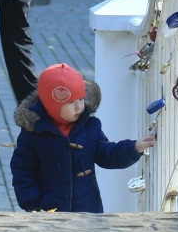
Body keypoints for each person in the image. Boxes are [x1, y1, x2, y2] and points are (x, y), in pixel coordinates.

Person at [10, 62, 155, 213]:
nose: (79, 106)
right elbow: (22, 172)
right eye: (71, 102)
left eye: (81, 99)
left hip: (88, 210)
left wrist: (133, 148)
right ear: (52, 104)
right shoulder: (33, 133)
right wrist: (34, 204)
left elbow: (106, 153)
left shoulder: (90, 127)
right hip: (48, 212)